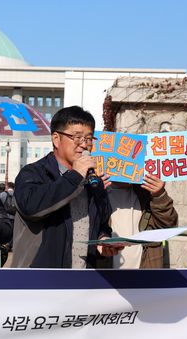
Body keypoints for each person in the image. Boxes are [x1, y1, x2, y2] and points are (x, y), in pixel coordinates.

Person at [10, 106, 121, 268]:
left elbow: (102, 223)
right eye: (77, 137)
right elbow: (31, 207)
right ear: (56, 139)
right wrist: (74, 176)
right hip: (39, 279)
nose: (84, 145)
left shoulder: (93, 182)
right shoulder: (33, 173)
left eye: (89, 138)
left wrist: (103, 240)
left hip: (83, 281)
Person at [101, 173, 178, 268]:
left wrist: (159, 195)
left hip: (145, 275)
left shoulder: (147, 193)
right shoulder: (94, 193)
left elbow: (168, 226)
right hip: (102, 277)